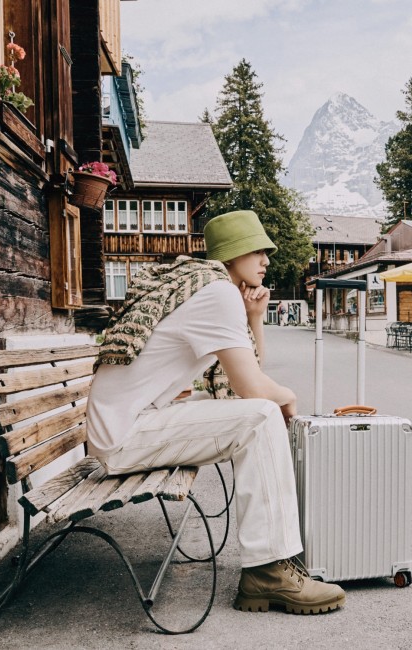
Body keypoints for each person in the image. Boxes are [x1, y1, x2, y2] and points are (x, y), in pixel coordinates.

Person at [86, 209, 345, 615]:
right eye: (258, 250)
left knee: (253, 411)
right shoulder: (217, 292)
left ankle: (272, 561)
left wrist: (254, 318)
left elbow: (244, 376)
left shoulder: (205, 287)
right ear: (235, 253)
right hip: (123, 437)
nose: (266, 260)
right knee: (260, 417)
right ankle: (268, 569)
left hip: (127, 425)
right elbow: (252, 389)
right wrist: (288, 397)